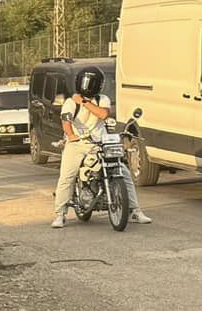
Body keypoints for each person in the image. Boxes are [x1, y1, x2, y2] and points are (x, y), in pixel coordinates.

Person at [50, 66, 151, 228]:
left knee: (123, 172)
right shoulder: (70, 102)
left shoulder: (101, 99)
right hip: (78, 143)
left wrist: (83, 101)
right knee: (67, 177)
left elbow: (103, 115)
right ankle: (60, 214)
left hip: (100, 142)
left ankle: (135, 211)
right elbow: (66, 122)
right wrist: (71, 136)